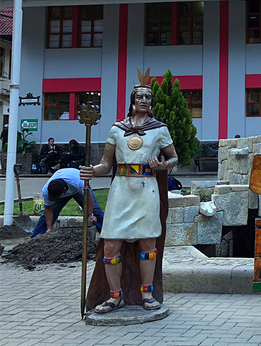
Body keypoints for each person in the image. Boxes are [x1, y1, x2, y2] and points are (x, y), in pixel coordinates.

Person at [80, 82, 178, 314]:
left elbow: (174, 158)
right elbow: (106, 164)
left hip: (147, 189)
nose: (144, 101)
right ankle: (115, 296)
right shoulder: (117, 128)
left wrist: (163, 165)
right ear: (132, 101)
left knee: (147, 242)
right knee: (111, 244)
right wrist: (91, 171)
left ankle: (147, 293)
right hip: (121, 189)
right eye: (140, 97)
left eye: (148, 97)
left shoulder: (159, 129)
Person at [31, 167, 104, 237]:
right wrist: (49, 227)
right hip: (64, 184)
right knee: (52, 211)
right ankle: (36, 238)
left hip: (76, 183)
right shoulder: (47, 191)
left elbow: (89, 197)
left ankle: (106, 235)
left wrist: (90, 214)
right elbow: (48, 209)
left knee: (96, 211)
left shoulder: (80, 183)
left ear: (64, 190)